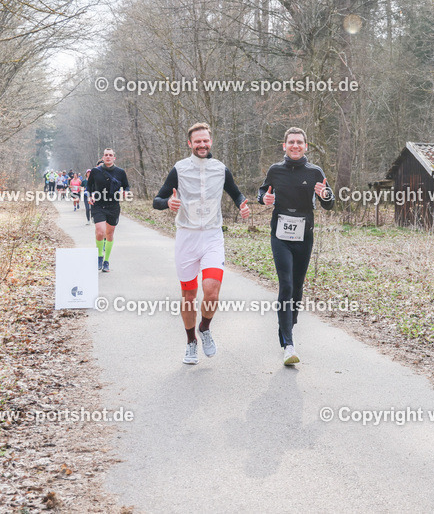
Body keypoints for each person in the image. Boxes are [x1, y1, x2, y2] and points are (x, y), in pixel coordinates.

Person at [153, 123, 250, 365]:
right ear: (190, 144)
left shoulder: (220, 169)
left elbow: (235, 192)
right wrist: (168, 204)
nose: (202, 145)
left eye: (205, 140)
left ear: (211, 141)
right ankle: (190, 342)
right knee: (188, 295)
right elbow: (157, 199)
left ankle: (204, 328)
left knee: (211, 291)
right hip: (187, 236)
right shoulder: (179, 169)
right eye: (197, 141)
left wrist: (242, 204)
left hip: (212, 236)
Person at [257, 127, 334, 366]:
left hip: (304, 236)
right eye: (291, 142)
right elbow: (263, 191)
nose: (295, 146)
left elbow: (329, 203)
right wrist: (263, 199)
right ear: (284, 146)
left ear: (306, 146)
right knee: (286, 284)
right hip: (280, 235)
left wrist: (326, 195)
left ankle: (288, 324)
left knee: (297, 289)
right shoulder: (275, 170)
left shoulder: (315, 172)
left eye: (299, 142)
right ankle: (288, 344)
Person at [88, 149, 130, 272]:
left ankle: (106, 261)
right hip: (98, 204)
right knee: (100, 231)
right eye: (106, 155)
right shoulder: (95, 171)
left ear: (114, 158)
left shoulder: (120, 172)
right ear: (103, 157)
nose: (108, 157)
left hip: (113, 205)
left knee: (109, 234)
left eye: (110, 155)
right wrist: (90, 196)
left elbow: (126, 185)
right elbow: (89, 186)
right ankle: (99, 256)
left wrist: (125, 192)